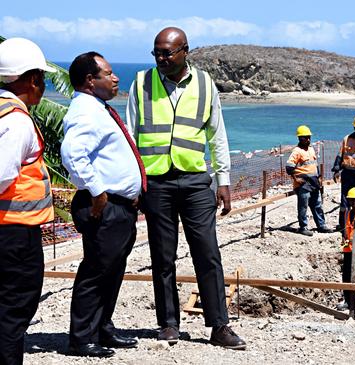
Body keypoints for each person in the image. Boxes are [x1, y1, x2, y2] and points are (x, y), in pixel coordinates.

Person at [126, 27, 245, 350]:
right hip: (156, 181)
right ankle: (168, 323)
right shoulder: (141, 83)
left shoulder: (205, 85)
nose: (161, 59)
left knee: (207, 252)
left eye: (167, 53)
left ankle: (219, 325)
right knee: (162, 255)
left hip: (194, 181)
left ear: (185, 51)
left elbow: (217, 136)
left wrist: (223, 181)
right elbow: (130, 136)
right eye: (157, 53)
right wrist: (134, 183)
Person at [61, 52, 145, 358]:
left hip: (120, 206)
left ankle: (102, 327)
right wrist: (98, 193)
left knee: (113, 270)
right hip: (105, 206)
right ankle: (81, 338)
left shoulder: (99, 109)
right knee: (96, 271)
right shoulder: (86, 112)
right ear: (89, 81)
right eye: (107, 74)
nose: (115, 78)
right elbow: (72, 154)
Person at [0, 37, 55, 365]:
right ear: (32, 79)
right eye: (42, 78)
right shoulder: (17, 121)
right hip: (14, 235)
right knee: (13, 313)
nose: (45, 86)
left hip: (10, 231)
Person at [285, 125, 335, 236]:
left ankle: (321, 226)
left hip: (314, 182)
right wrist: (296, 178)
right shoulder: (296, 152)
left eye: (308, 137)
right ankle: (303, 227)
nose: (308, 139)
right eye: (305, 137)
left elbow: (314, 165)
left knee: (317, 205)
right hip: (303, 184)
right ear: (300, 138)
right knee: (303, 206)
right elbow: (289, 168)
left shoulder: (311, 150)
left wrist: (319, 177)